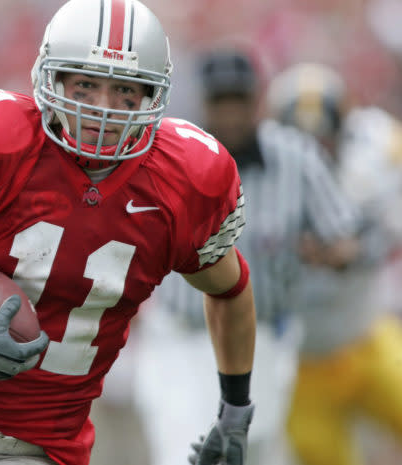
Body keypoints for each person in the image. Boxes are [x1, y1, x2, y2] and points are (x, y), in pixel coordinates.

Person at [0, 1, 256, 465]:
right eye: (85, 84)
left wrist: (235, 408)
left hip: (44, 448)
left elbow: (230, 289)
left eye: (124, 89)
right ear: (52, 78)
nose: (103, 109)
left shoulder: (183, 180)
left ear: (151, 95)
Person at [133, 48, 361, 465]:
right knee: (187, 450)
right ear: (205, 102)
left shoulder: (295, 157)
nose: (231, 112)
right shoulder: (170, 154)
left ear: (257, 100)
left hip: (266, 337)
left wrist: (328, 254)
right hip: (183, 337)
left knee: (252, 448)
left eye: (239, 99)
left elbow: (343, 237)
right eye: (221, 101)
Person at [267, 62, 402, 465]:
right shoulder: (252, 180)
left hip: (365, 336)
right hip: (301, 366)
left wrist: (357, 250)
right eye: (302, 145)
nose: (313, 157)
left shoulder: (375, 152)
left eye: (322, 142)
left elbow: (393, 221)